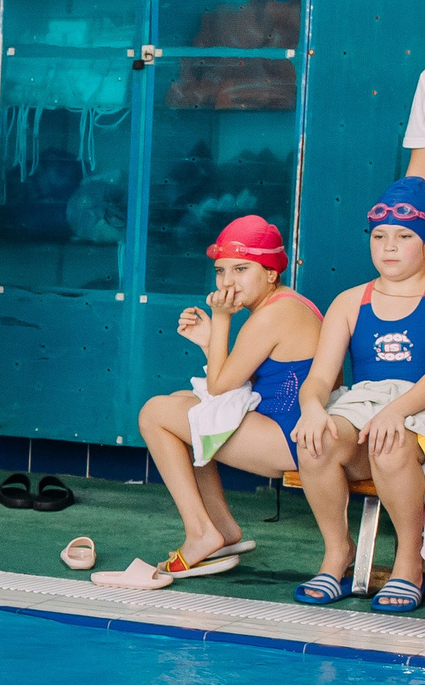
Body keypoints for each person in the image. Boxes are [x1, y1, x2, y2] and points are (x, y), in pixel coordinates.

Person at [126, 216, 320, 581]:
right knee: (182, 400)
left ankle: (201, 533)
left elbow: (219, 387)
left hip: (291, 439)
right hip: (289, 427)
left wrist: (220, 320)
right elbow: (233, 381)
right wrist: (208, 341)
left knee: (154, 412)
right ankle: (222, 529)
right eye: (221, 270)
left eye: (241, 269)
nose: (227, 282)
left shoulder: (273, 315)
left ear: (271, 273)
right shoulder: (291, 304)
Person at [289, 179, 425, 609]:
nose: (389, 246)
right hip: (365, 406)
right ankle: (337, 552)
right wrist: (311, 409)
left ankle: (409, 563)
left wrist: (397, 412)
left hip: (417, 407)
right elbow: (319, 379)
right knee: (316, 441)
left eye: (405, 236)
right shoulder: (350, 302)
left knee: (391, 439)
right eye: (380, 236)